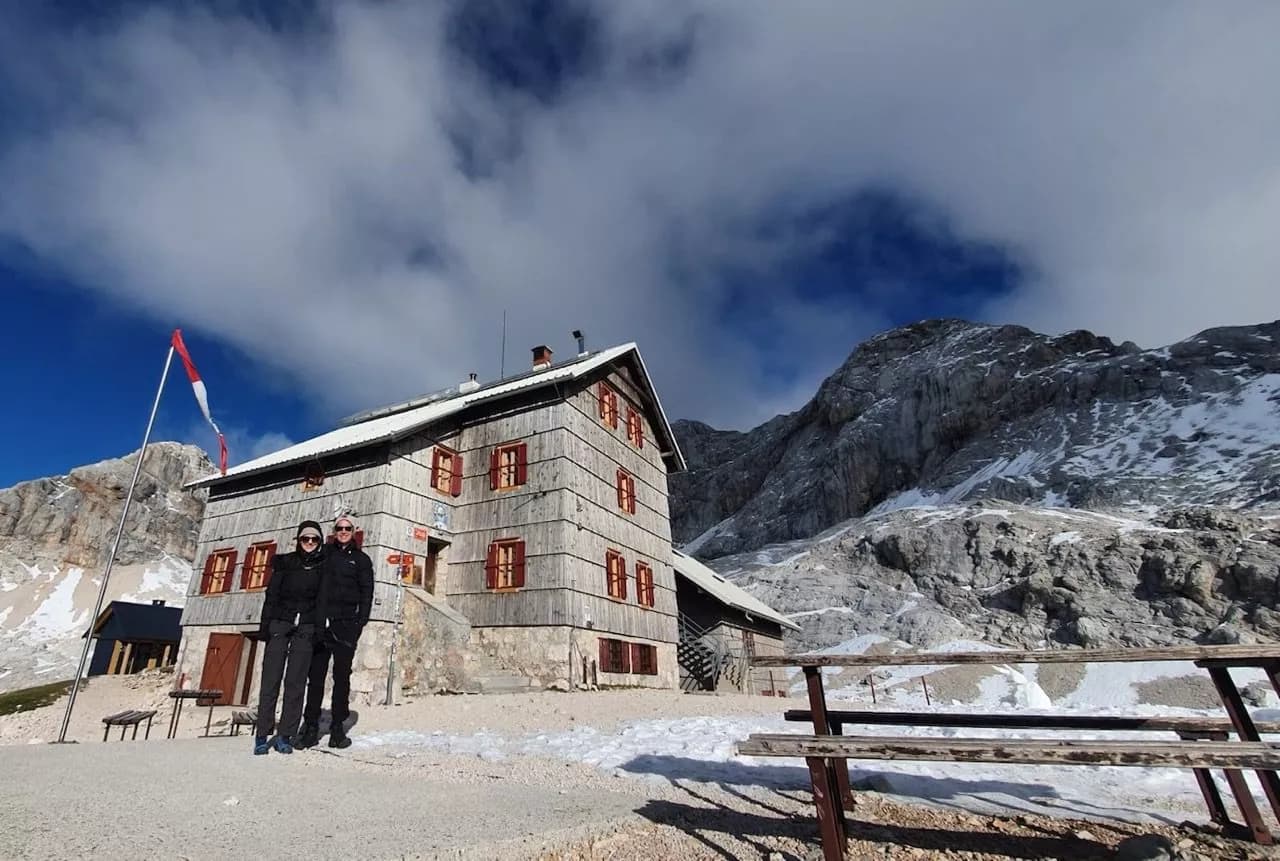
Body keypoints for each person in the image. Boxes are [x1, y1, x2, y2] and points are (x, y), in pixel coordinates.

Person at [297, 514, 373, 749]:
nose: (343, 531)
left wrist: (360, 622)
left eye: (347, 528)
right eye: (339, 528)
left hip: (346, 624)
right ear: (334, 531)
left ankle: (337, 728)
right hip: (322, 623)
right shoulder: (325, 554)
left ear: (354, 531)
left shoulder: (361, 560)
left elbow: (367, 591)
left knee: (342, 677)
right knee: (315, 676)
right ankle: (310, 727)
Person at [253, 520, 327, 755]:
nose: (309, 543)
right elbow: (271, 596)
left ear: (320, 542)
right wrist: (265, 627)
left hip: (305, 629)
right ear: (298, 540)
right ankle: (262, 735)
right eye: (305, 539)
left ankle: (286, 735)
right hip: (280, 625)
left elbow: (322, 601)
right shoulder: (284, 564)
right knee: (270, 681)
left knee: (295, 684)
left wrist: (317, 630)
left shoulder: (323, 567)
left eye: (314, 539)